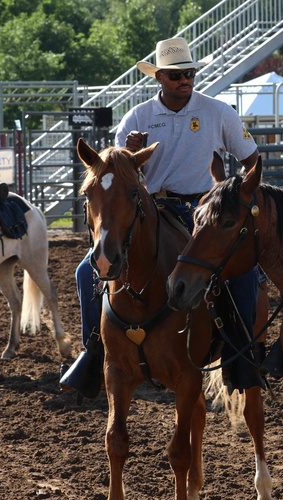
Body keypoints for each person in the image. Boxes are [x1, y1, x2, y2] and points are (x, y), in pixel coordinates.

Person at [59, 37, 262, 398]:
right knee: (84, 270)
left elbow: (251, 160)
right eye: (175, 76)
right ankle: (94, 351)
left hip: (203, 208)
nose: (184, 80)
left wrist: (233, 198)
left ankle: (239, 353)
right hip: (149, 206)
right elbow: (117, 172)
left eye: (189, 73)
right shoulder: (137, 117)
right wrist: (129, 152)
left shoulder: (218, 112)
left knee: (244, 272)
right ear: (159, 78)